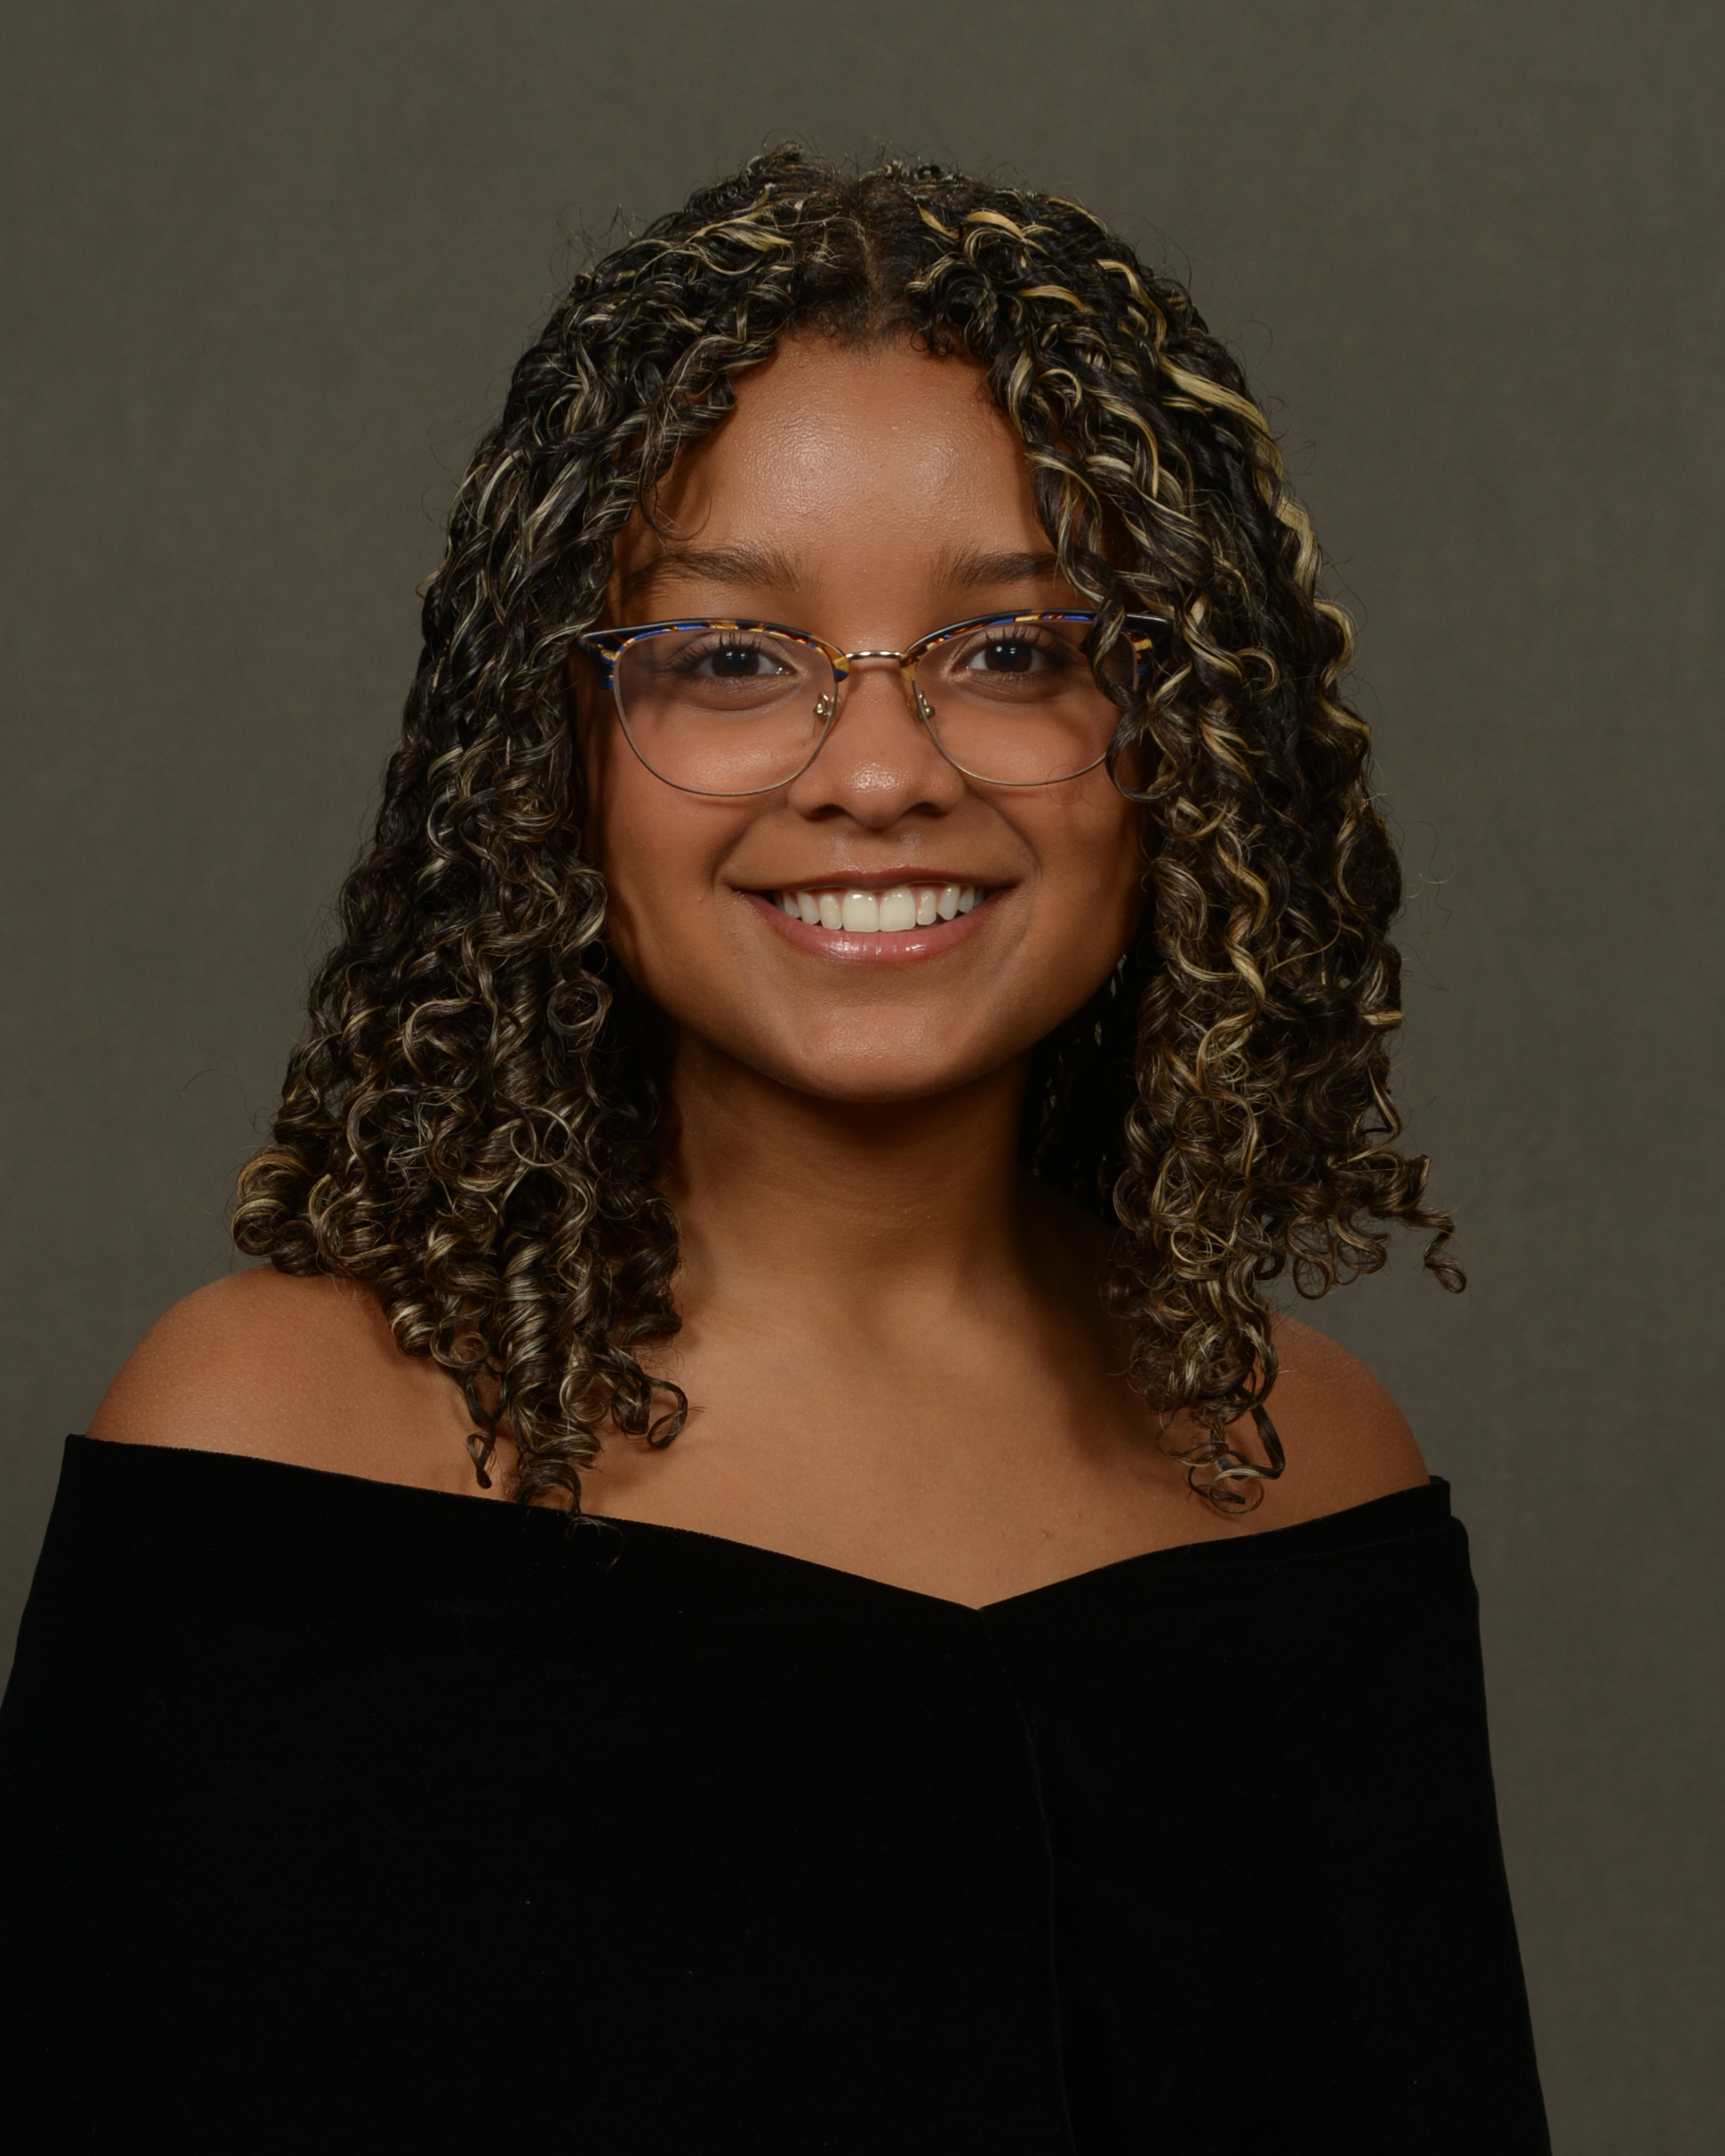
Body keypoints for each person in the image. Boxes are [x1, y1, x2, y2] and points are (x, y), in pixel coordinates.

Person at [0, 149, 1550, 2151]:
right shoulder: (277, 1446)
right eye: (731, 657)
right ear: (551, 756)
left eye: (1016, 650)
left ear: (1184, 746)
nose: (878, 769)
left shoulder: (1308, 1467)